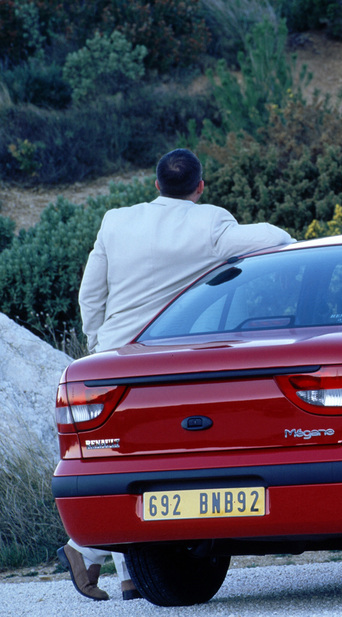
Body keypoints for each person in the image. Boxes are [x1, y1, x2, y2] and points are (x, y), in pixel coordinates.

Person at [58, 148, 294, 601]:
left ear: (155, 185)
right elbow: (273, 238)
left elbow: (92, 291)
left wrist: (97, 345)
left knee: (119, 460)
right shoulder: (210, 223)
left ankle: (130, 574)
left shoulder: (115, 220)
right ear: (200, 187)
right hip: (167, 359)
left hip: (112, 356)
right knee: (152, 460)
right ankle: (83, 549)